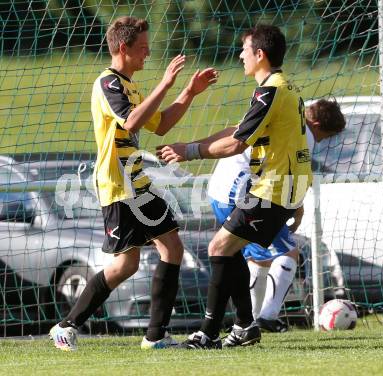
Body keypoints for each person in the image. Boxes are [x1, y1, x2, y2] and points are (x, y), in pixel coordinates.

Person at [49, 16, 218, 351]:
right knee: (127, 264)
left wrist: (188, 92)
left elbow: (162, 124)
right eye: (142, 48)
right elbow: (130, 121)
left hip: (137, 181)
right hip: (117, 185)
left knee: (171, 248)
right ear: (123, 48)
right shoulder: (108, 83)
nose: (148, 53)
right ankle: (66, 326)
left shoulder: (132, 85)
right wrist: (166, 84)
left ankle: (155, 336)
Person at [157, 24, 312, 349]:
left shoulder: (270, 90)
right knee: (229, 250)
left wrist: (190, 152)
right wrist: (191, 145)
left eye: (244, 50)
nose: (240, 56)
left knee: (218, 248)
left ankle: (210, 332)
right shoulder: (284, 87)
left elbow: (237, 143)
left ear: (260, 54)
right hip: (281, 189)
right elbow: (238, 129)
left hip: (273, 190)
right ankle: (244, 325)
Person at [207, 99, 346, 333]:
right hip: (243, 192)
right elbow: (292, 173)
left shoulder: (276, 116)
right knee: (288, 253)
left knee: (257, 259)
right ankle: (267, 317)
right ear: (317, 123)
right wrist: (297, 209)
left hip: (219, 190)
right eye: (325, 136)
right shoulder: (304, 134)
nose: (321, 141)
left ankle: (247, 321)